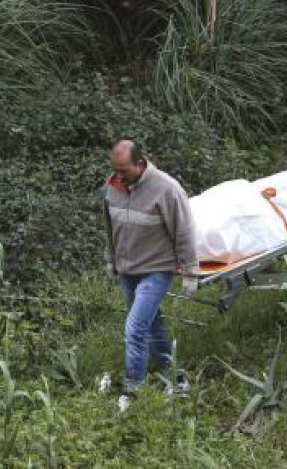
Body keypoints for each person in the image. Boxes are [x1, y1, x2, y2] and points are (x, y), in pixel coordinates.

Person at [103, 138, 199, 412]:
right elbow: (109, 227)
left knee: (135, 328)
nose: (118, 176)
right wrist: (111, 260)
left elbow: (185, 232)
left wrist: (191, 272)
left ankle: (133, 392)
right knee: (154, 326)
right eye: (115, 170)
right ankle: (177, 379)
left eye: (123, 171)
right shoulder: (113, 187)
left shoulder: (167, 189)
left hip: (157, 270)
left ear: (140, 163)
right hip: (127, 271)